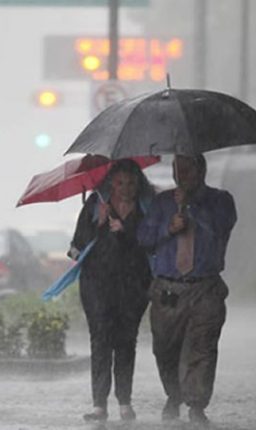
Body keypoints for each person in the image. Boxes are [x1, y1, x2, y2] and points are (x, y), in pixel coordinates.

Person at [137, 154, 237, 427]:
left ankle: (196, 403)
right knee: (165, 348)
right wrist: (168, 229)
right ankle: (174, 394)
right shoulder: (161, 203)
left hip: (204, 288)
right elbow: (144, 238)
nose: (181, 176)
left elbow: (220, 228)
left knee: (201, 348)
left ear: (201, 170)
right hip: (168, 289)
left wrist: (191, 208)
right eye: (176, 170)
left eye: (187, 170)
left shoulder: (221, 200)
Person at [69, 159, 155, 422]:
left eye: (131, 183)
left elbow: (154, 244)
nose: (125, 188)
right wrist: (98, 224)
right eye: (119, 183)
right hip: (97, 285)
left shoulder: (148, 210)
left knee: (126, 341)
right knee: (101, 340)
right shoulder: (95, 206)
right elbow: (75, 249)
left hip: (133, 286)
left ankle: (124, 402)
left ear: (139, 183)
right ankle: (99, 405)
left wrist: (127, 231)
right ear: (110, 184)